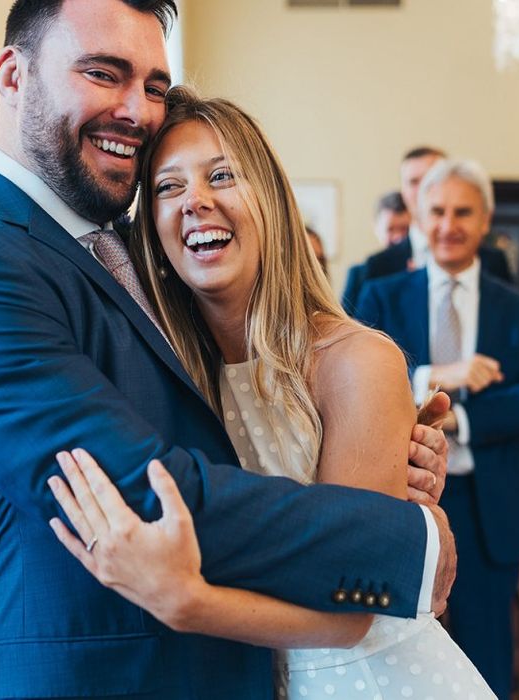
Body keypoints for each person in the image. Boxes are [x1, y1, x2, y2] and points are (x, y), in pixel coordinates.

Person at [0, 1, 455, 698]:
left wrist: (383, 442)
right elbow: (142, 488)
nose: (137, 110)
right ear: (12, 75)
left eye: (153, 86)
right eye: (103, 72)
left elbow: (219, 420)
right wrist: (398, 540)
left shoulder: (124, 250)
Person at [47, 85, 495, 699]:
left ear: (273, 202)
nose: (195, 202)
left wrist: (186, 601)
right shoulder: (166, 373)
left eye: (222, 175)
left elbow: (351, 610)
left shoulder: (355, 361)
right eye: (168, 187)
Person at [356, 159, 519, 699]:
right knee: (401, 648)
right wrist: (430, 378)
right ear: (420, 218)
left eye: (462, 212)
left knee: (488, 651)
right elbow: (352, 388)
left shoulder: (517, 308)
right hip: (403, 498)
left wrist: (464, 418)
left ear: (486, 219)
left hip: (490, 503)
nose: (449, 224)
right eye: (438, 211)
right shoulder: (380, 297)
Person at [342, 147, 513, 314]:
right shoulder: (377, 266)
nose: (423, 188)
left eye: (432, 177)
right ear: (403, 190)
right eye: (413, 182)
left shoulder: (492, 261)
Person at [342, 190, 409, 313]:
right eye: (390, 229)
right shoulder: (358, 274)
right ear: (376, 228)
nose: (398, 237)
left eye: (405, 229)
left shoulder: (424, 271)